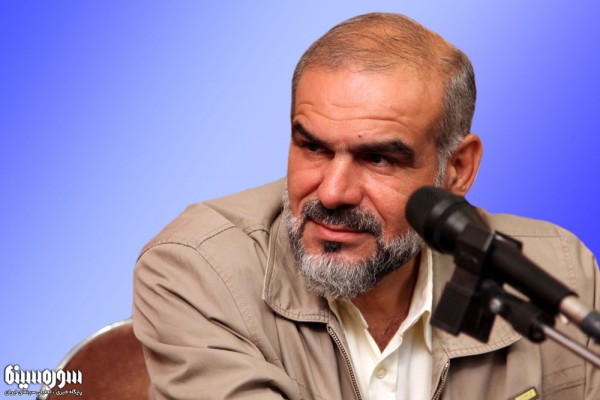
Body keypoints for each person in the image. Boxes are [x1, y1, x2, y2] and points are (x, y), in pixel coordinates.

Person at [133, 12, 600, 399]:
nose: (332, 193)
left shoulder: (560, 272)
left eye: (378, 158)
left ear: (457, 169)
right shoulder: (196, 270)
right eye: (313, 148)